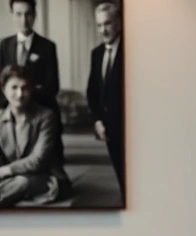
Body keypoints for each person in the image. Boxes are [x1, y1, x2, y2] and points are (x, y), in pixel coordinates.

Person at [0, 0, 61, 162]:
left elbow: (52, 86)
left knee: (41, 161)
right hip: (11, 115)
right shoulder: (4, 45)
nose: (23, 20)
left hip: (39, 112)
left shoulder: (47, 47)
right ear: (12, 16)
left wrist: (23, 97)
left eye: (28, 14)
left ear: (34, 15)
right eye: (18, 14)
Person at [0, 64, 69, 207]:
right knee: (19, 180)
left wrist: (6, 170)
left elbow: (38, 160)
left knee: (23, 181)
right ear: (3, 89)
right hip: (13, 176)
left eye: (24, 88)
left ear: (31, 89)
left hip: (46, 176)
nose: (20, 94)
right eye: (14, 88)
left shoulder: (46, 116)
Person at [86, 2, 124, 194]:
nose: (103, 29)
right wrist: (97, 121)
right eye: (99, 25)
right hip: (107, 129)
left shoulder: (130, 50)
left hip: (128, 129)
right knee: (119, 173)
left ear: (118, 22)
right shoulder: (97, 53)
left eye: (107, 23)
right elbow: (92, 91)